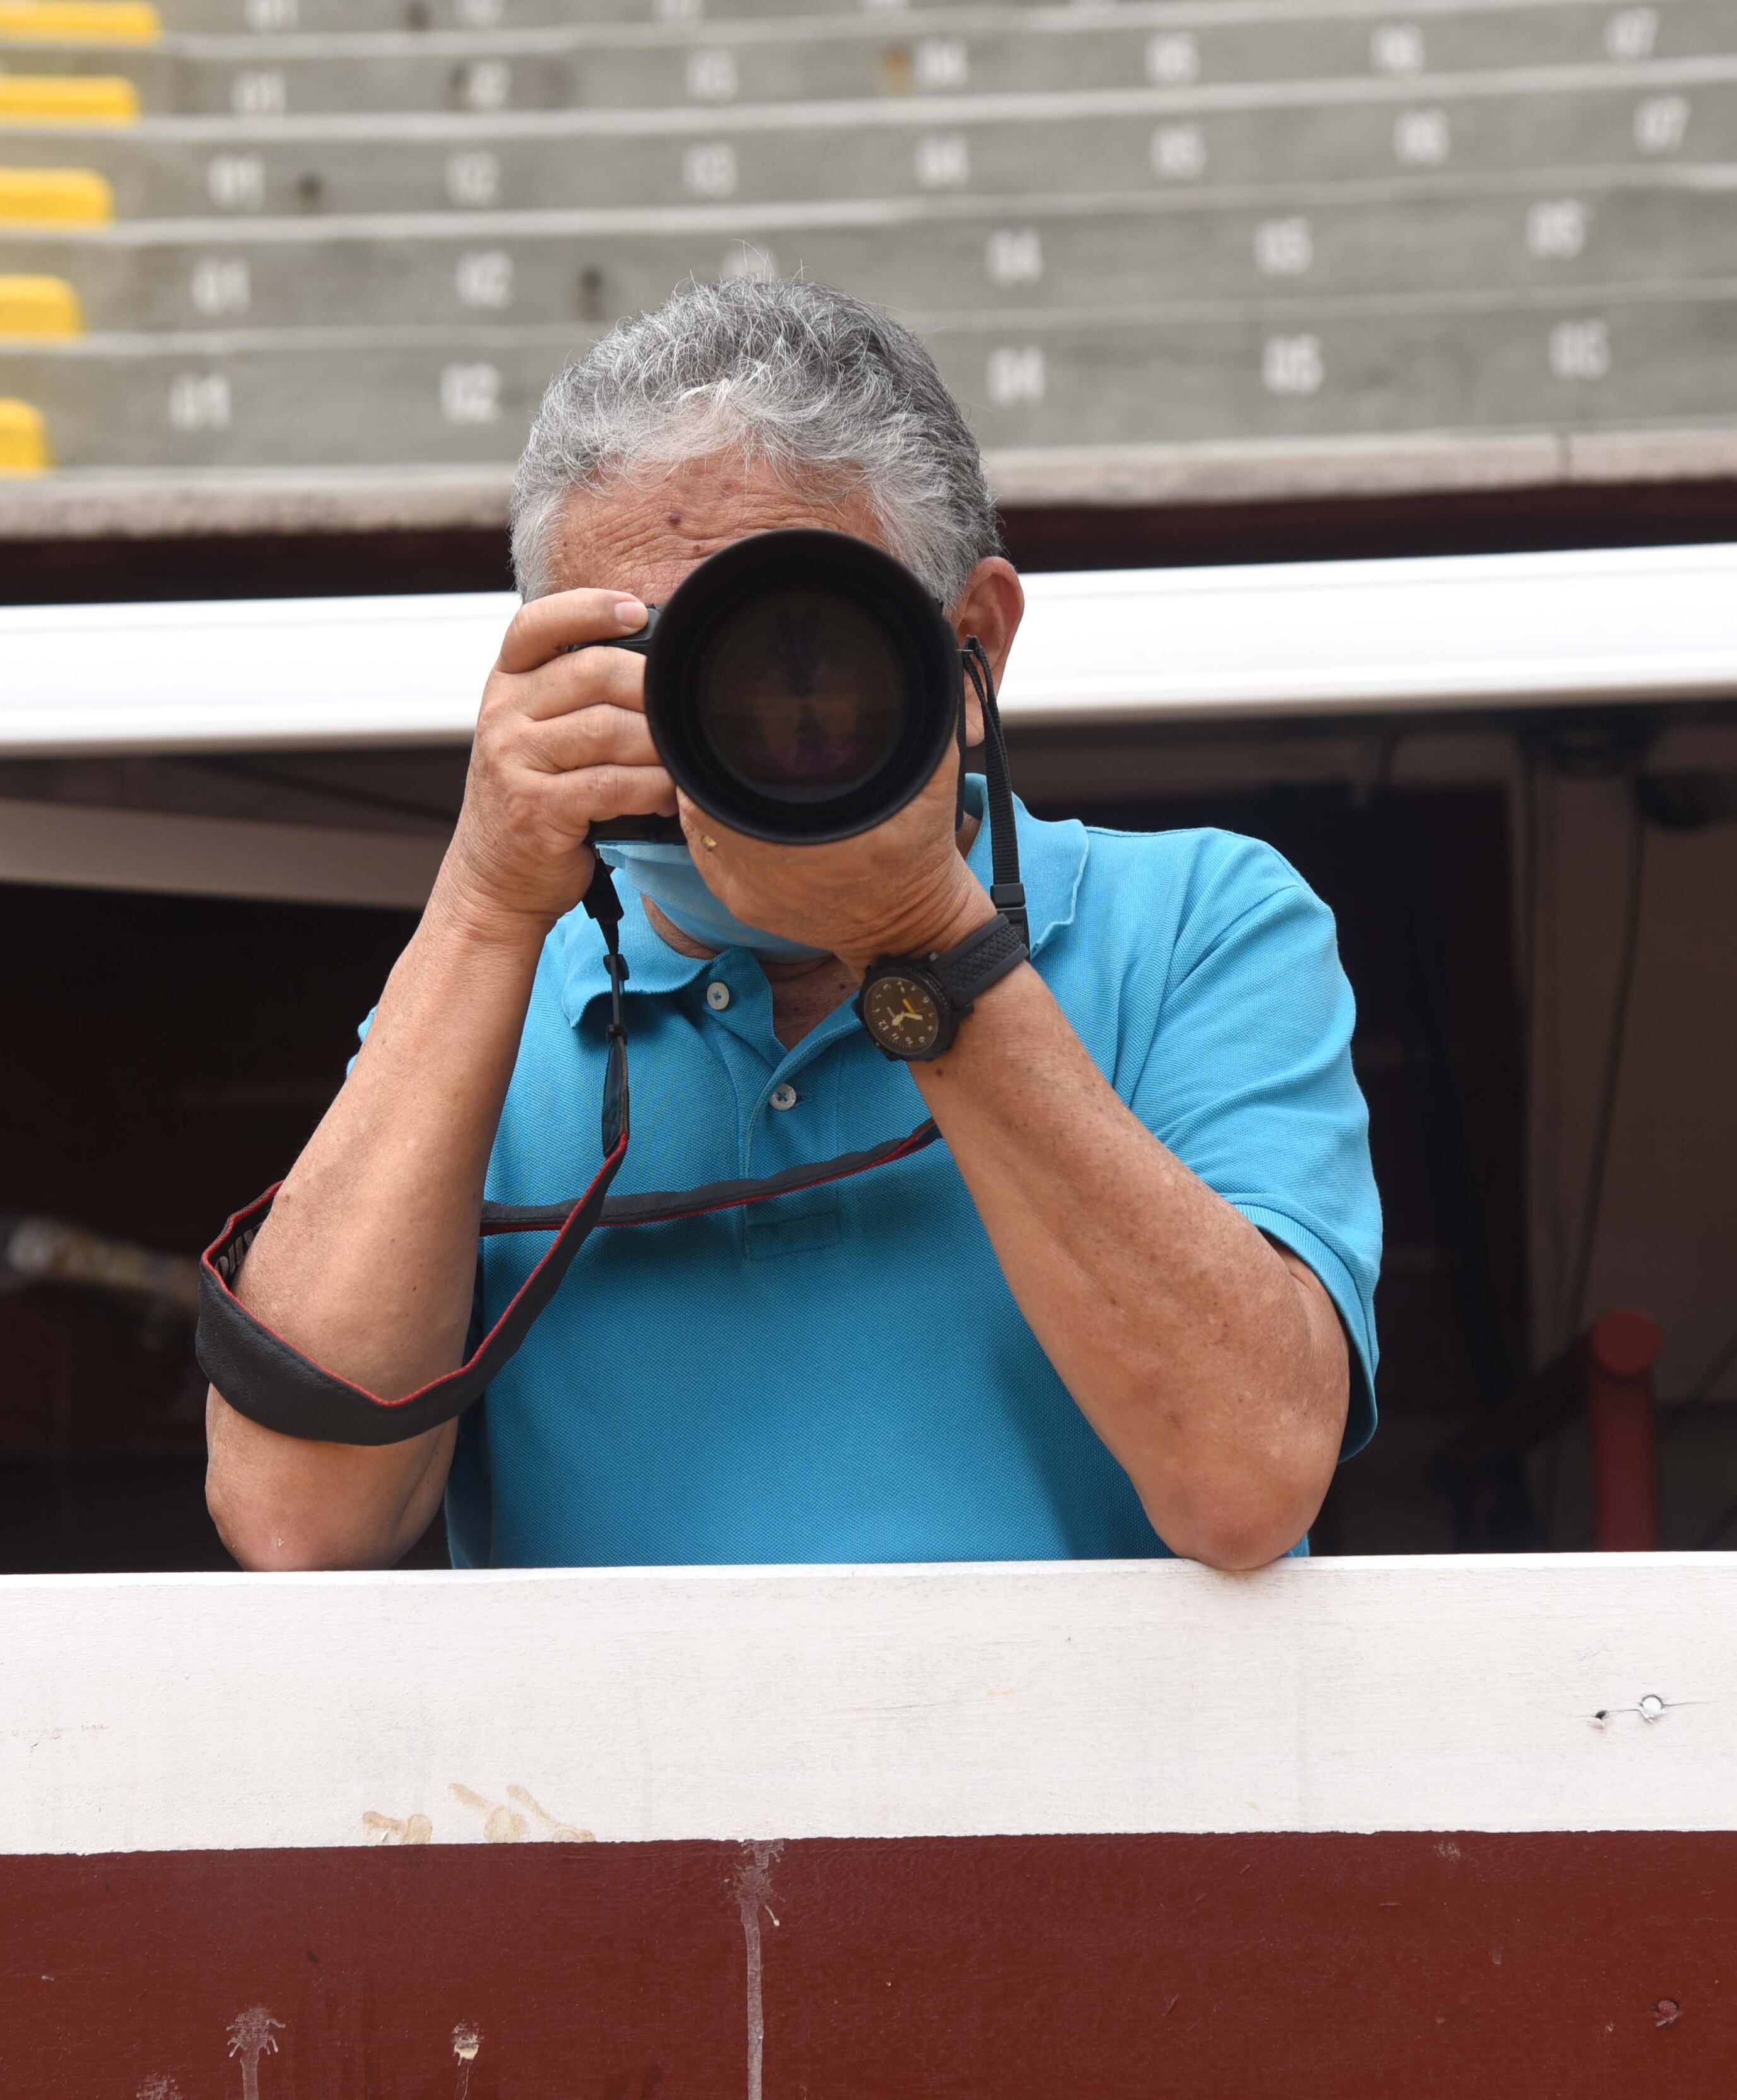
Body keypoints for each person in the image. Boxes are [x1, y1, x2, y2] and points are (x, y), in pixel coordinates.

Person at [204, 279, 1380, 1572]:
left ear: (971, 643)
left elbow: (1248, 1480)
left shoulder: (1197, 925)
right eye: (669, 655)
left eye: (805, 645)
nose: (750, 719)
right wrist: (484, 905)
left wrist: (924, 939)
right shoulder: (488, 1000)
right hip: (605, 1784)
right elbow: (295, 1523)